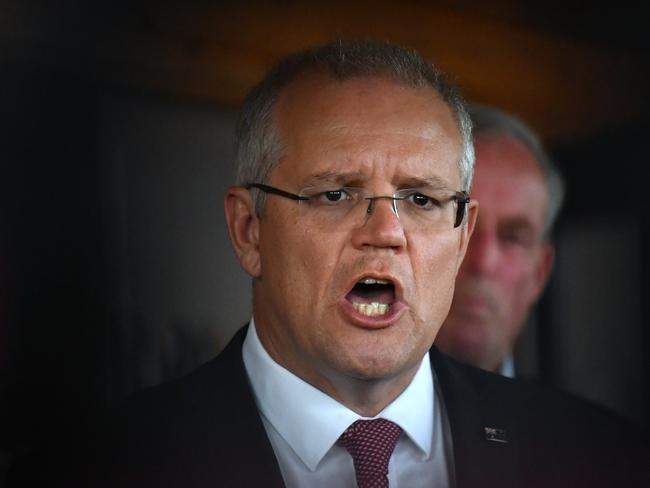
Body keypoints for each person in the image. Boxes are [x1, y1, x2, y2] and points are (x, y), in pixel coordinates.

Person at [8, 39, 649, 488]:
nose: (386, 233)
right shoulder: (93, 470)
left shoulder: (605, 459)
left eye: (422, 199)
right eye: (335, 194)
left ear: (460, 235)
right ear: (248, 229)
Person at [435, 104, 562, 376]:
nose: (483, 262)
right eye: (462, 224)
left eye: (512, 238)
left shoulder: (567, 419)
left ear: (540, 274)